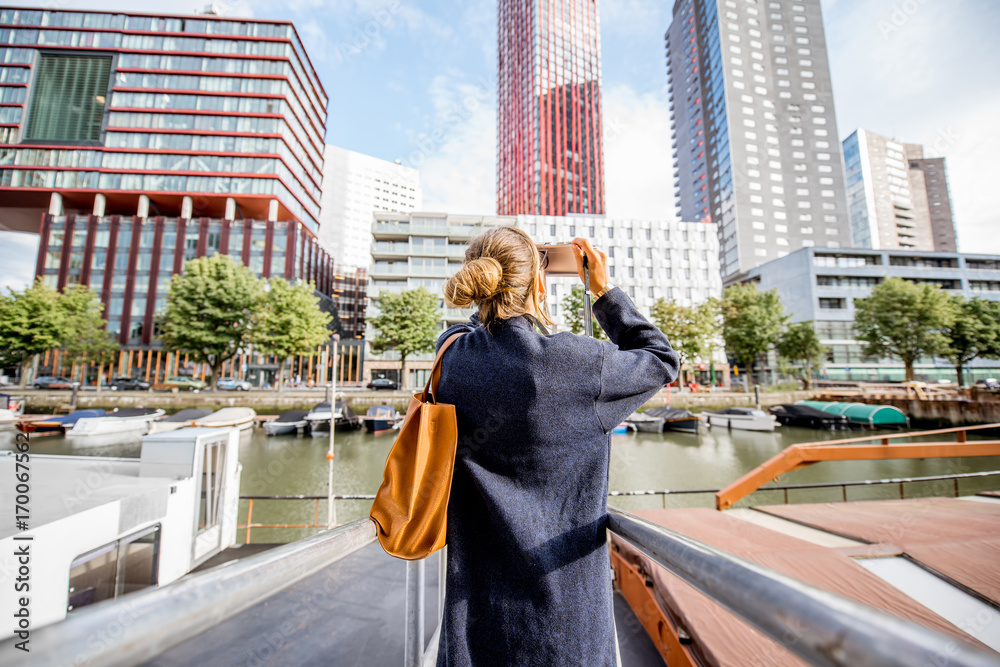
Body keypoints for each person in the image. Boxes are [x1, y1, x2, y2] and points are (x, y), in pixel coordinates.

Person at [434, 227, 679, 666]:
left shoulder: (451, 358)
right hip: (567, 629)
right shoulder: (581, 363)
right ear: (540, 282)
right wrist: (602, 292)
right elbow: (660, 358)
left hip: (475, 624)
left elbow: (475, 332)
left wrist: (502, 305)